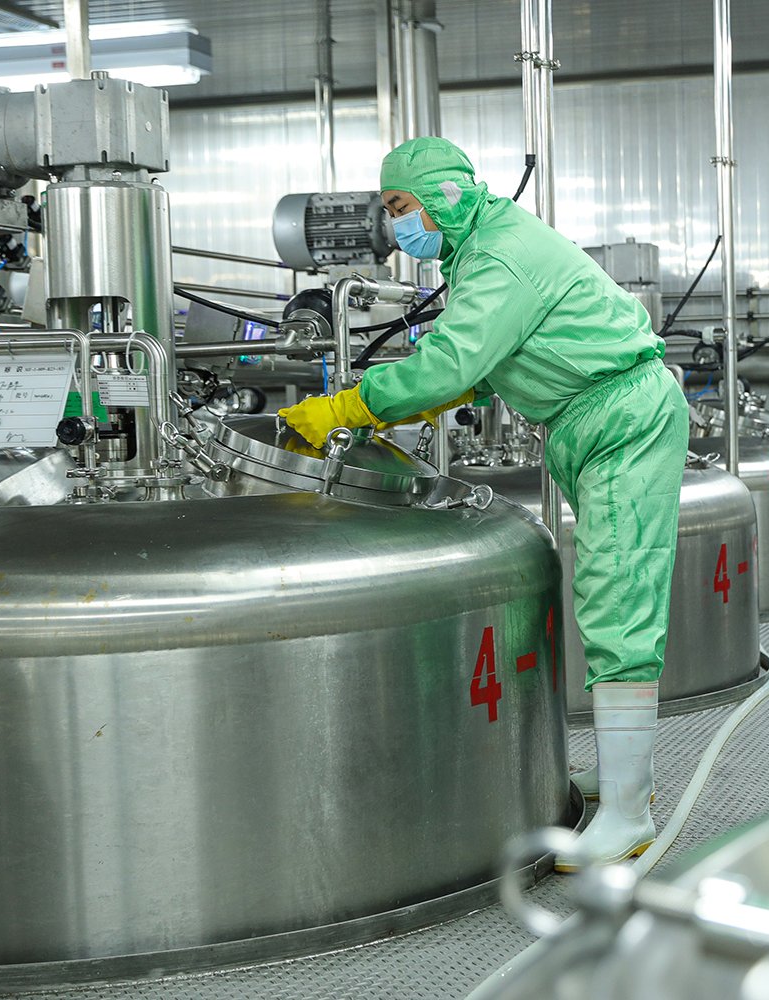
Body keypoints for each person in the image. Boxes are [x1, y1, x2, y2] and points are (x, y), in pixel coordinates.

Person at [278, 137, 689, 869]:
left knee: (616, 596)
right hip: (592, 415)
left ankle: (628, 812)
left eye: (402, 207)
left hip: (621, 418)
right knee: (604, 593)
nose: (397, 224)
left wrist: (348, 406)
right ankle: (628, 778)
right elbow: (489, 357)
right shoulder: (482, 249)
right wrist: (462, 382)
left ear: (443, 198)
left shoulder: (498, 255)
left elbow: (452, 361)